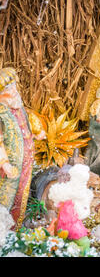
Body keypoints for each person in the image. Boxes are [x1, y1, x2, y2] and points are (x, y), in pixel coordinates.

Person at [0, 68, 35, 230]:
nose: (13, 91)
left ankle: (16, 226)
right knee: (7, 196)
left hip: (25, 162)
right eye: (8, 89)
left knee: (21, 193)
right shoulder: (1, 115)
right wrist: (5, 163)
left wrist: (36, 133)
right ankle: (4, 229)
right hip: (11, 166)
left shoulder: (17, 107)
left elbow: (25, 126)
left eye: (14, 86)